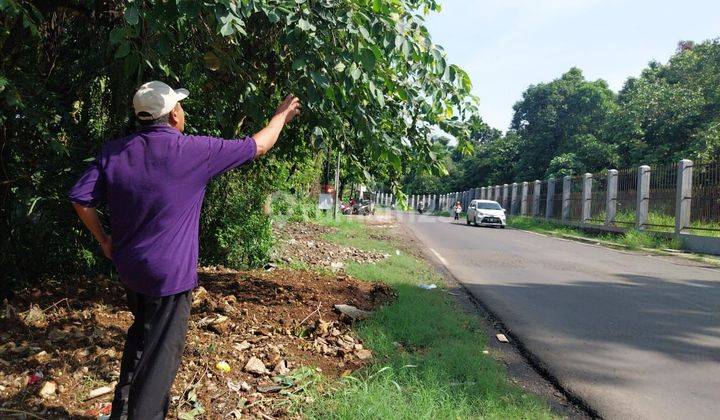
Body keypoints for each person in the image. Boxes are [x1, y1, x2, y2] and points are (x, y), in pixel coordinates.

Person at [68, 81, 301, 419]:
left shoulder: (115, 152)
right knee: (160, 360)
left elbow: (80, 198)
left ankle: (121, 413)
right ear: (174, 114)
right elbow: (259, 145)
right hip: (170, 279)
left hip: (131, 271)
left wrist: (104, 240)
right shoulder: (193, 151)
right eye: (181, 106)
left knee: (140, 338)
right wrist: (280, 116)